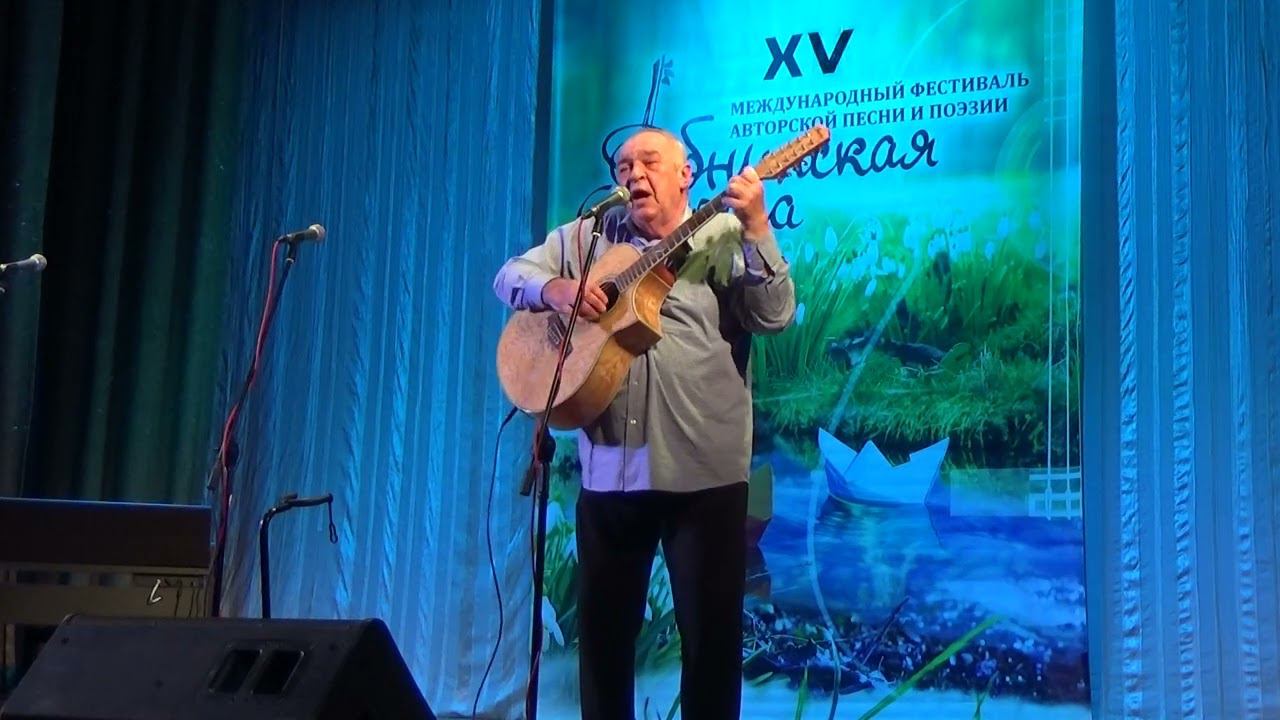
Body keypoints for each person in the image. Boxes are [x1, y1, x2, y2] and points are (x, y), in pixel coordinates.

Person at [492, 127, 795, 719]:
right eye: (624, 166)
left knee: (709, 645)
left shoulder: (725, 236)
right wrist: (556, 288)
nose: (634, 174)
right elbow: (508, 277)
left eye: (649, 161)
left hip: (703, 476)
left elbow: (775, 315)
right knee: (603, 645)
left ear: (686, 175)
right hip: (612, 472)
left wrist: (758, 226)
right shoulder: (588, 238)